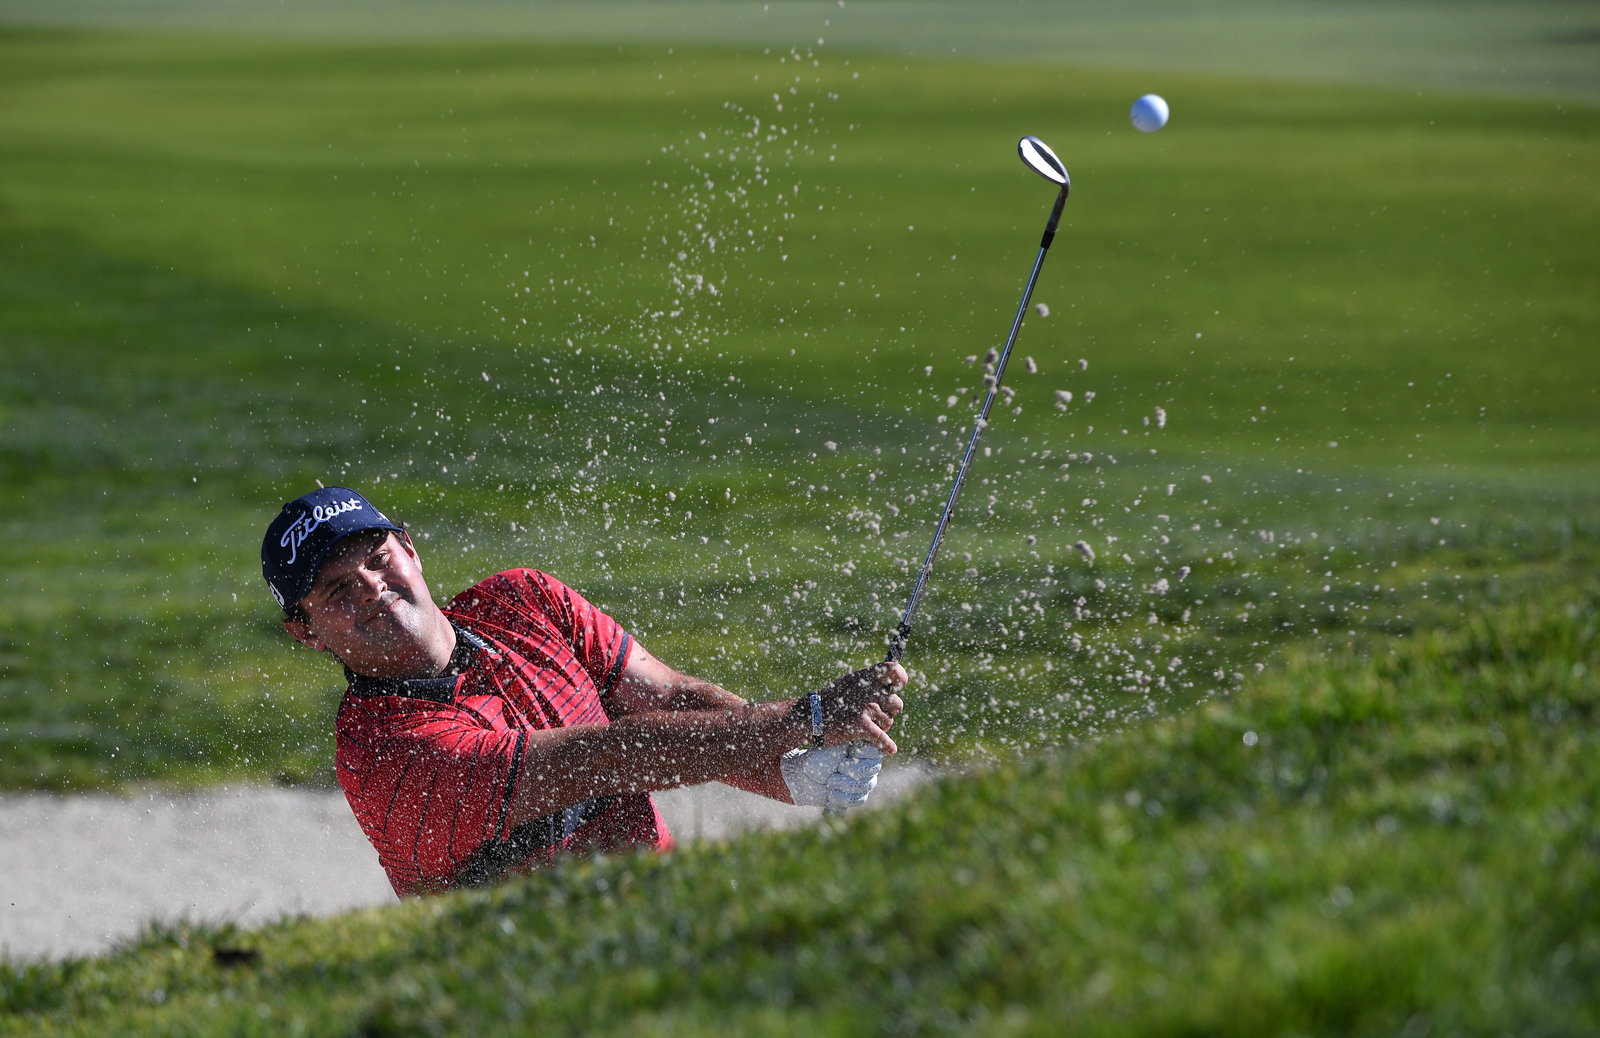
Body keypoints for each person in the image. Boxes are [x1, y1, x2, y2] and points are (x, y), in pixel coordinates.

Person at [262, 486, 907, 897]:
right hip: (525, 983)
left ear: (410, 550)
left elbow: (668, 700)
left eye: (378, 558)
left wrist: (789, 772)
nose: (372, 587)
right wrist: (805, 718)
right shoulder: (382, 753)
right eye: (338, 590)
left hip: (661, 910)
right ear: (307, 632)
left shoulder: (521, 600)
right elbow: (608, 757)